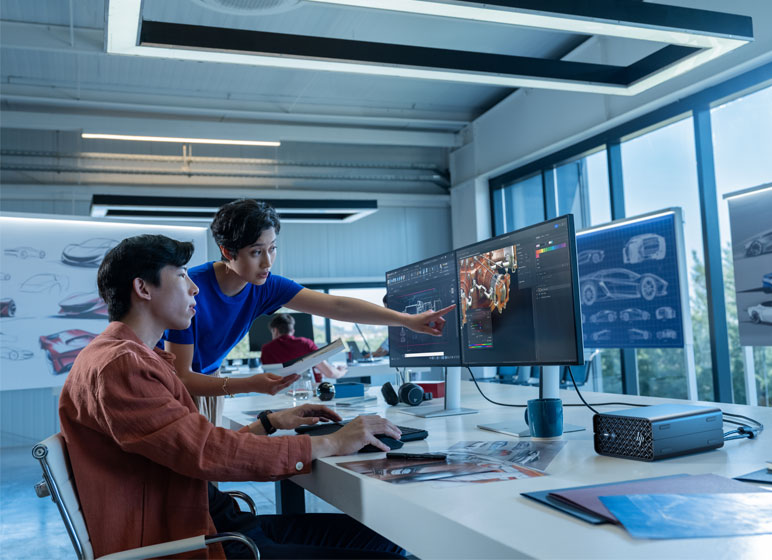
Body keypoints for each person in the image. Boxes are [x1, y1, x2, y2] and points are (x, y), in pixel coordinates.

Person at [59, 234, 405, 559]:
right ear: (143, 288)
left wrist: (269, 422)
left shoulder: (132, 356)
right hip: (206, 541)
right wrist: (332, 442)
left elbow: (188, 445)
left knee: (388, 538)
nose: (194, 287)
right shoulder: (122, 365)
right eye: (181, 276)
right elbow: (207, 453)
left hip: (216, 523)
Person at [165, 199, 453, 425]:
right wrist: (250, 384)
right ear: (227, 251)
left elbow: (336, 306)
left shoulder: (265, 285)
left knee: (205, 475)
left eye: (272, 248)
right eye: (256, 252)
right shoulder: (191, 288)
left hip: (211, 382)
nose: (268, 262)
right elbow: (183, 376)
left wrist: (406, 320)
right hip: (171, 385)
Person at [260, 313, 346, 382]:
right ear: (292, 330)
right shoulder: (306, 344)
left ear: (275, 330)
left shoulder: (266, 349)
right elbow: (330, 373)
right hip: (304, 393)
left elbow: (268, 376)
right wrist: (342, 371)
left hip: (277, 394)